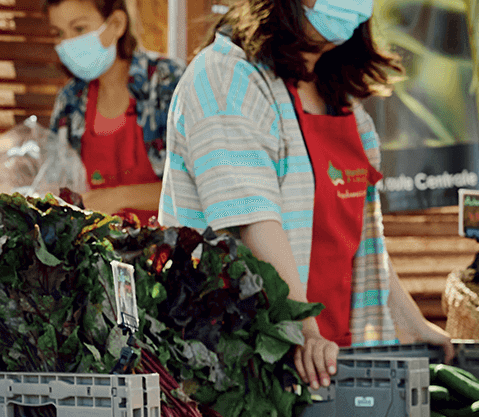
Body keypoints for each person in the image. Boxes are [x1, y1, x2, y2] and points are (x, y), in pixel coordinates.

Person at [159, 0, 453, 388]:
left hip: (331, 357)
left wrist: (411, 323)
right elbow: (253, 220)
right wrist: (305, 330)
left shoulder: (340, 95)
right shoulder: (226, 77)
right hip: (247, 363)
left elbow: (361, 240)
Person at [47, 0, 183, 224]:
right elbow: (58, 187)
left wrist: (116, 197)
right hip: (99, 253)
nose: (67, 42)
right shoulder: (69, 101)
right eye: (59, 33)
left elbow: (200, 186)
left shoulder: (167, 81)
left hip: (171, 252)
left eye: (79, 28)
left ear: (117, 24)